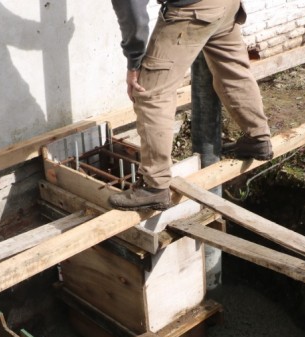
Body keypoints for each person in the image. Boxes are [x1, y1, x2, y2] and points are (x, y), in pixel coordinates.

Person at [108, 0, 273, 211]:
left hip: (193, 11)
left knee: (150, 92)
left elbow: (133, 12)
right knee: (233, 71)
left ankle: (154, 186)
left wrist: (134, 62)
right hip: (227, 5)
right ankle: (258, 138)